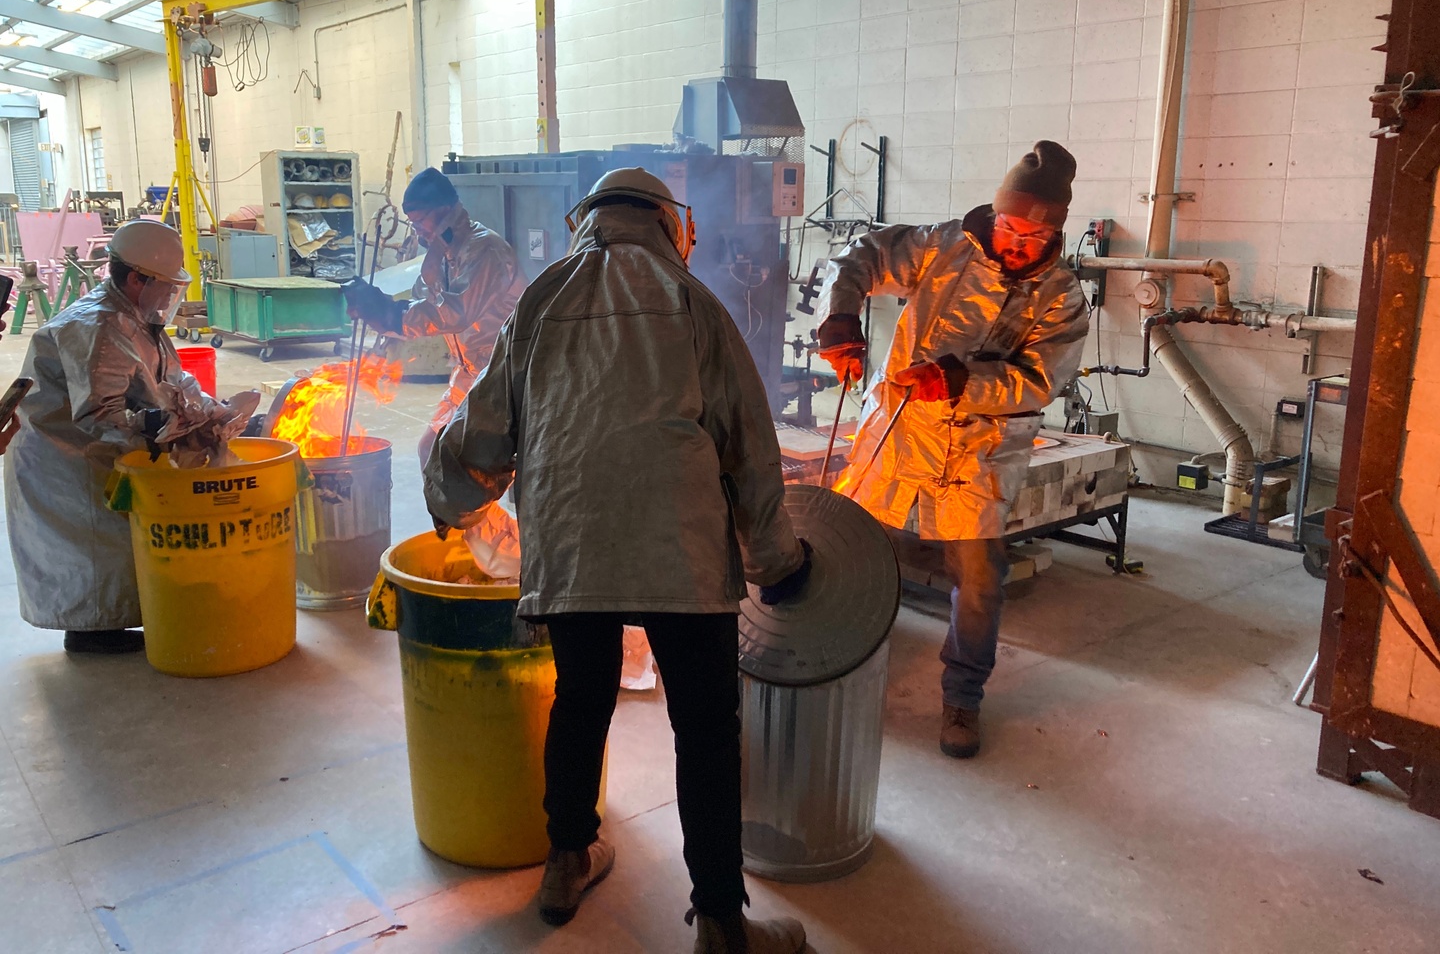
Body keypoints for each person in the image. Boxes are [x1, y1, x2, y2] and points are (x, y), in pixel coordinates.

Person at [424, 168, 810, 954]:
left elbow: (488, 429)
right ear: (671, 226)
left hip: (573, 543)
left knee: (582, 698)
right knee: (704, 728)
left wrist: (450, 498)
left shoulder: (541, 300)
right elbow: (748, 448)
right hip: (682, 548)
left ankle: (566, 862)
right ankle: (722, 926)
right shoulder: (693, 301)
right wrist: (778, 559)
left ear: (589, 222)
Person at [816, 141, 1090, 759]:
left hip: (981, 446)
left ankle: (962, 699)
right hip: (900, 428)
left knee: (979, 578)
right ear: (994, 215)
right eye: (1008, 226)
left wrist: (962, 381)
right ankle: (830, 660)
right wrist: (840, 317)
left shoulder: (1062, 297)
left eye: (1031, 235)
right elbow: (859, 256)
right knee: (853, 551)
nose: (1015, 241)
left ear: (1055, 234)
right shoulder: (944, 246)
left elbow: (1041, 380)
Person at [3, 221, 244, 654]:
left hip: (91, 449)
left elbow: (176, 380)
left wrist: (213, 408)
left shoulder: (137, 317)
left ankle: (110, 621)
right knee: (93, 546)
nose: (172, 298)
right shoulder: (97, 325)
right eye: (168, 287)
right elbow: (99, 412)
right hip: (64, 454)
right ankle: (91, 632)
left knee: (114, 543)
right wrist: (157, 427)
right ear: (136, 278)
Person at [341, 167, 526, 462]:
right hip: (469, 374)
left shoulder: (485, 250)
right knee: (431, 451)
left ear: (445, 211)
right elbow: (420, 300)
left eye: (421, 220)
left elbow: (456, 313)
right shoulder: (444, 254)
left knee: (470, 471)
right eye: (412, 222)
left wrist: (392, 316)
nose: (417, 229)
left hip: (501, 376)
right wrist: (378, 308)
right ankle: (473, 511)